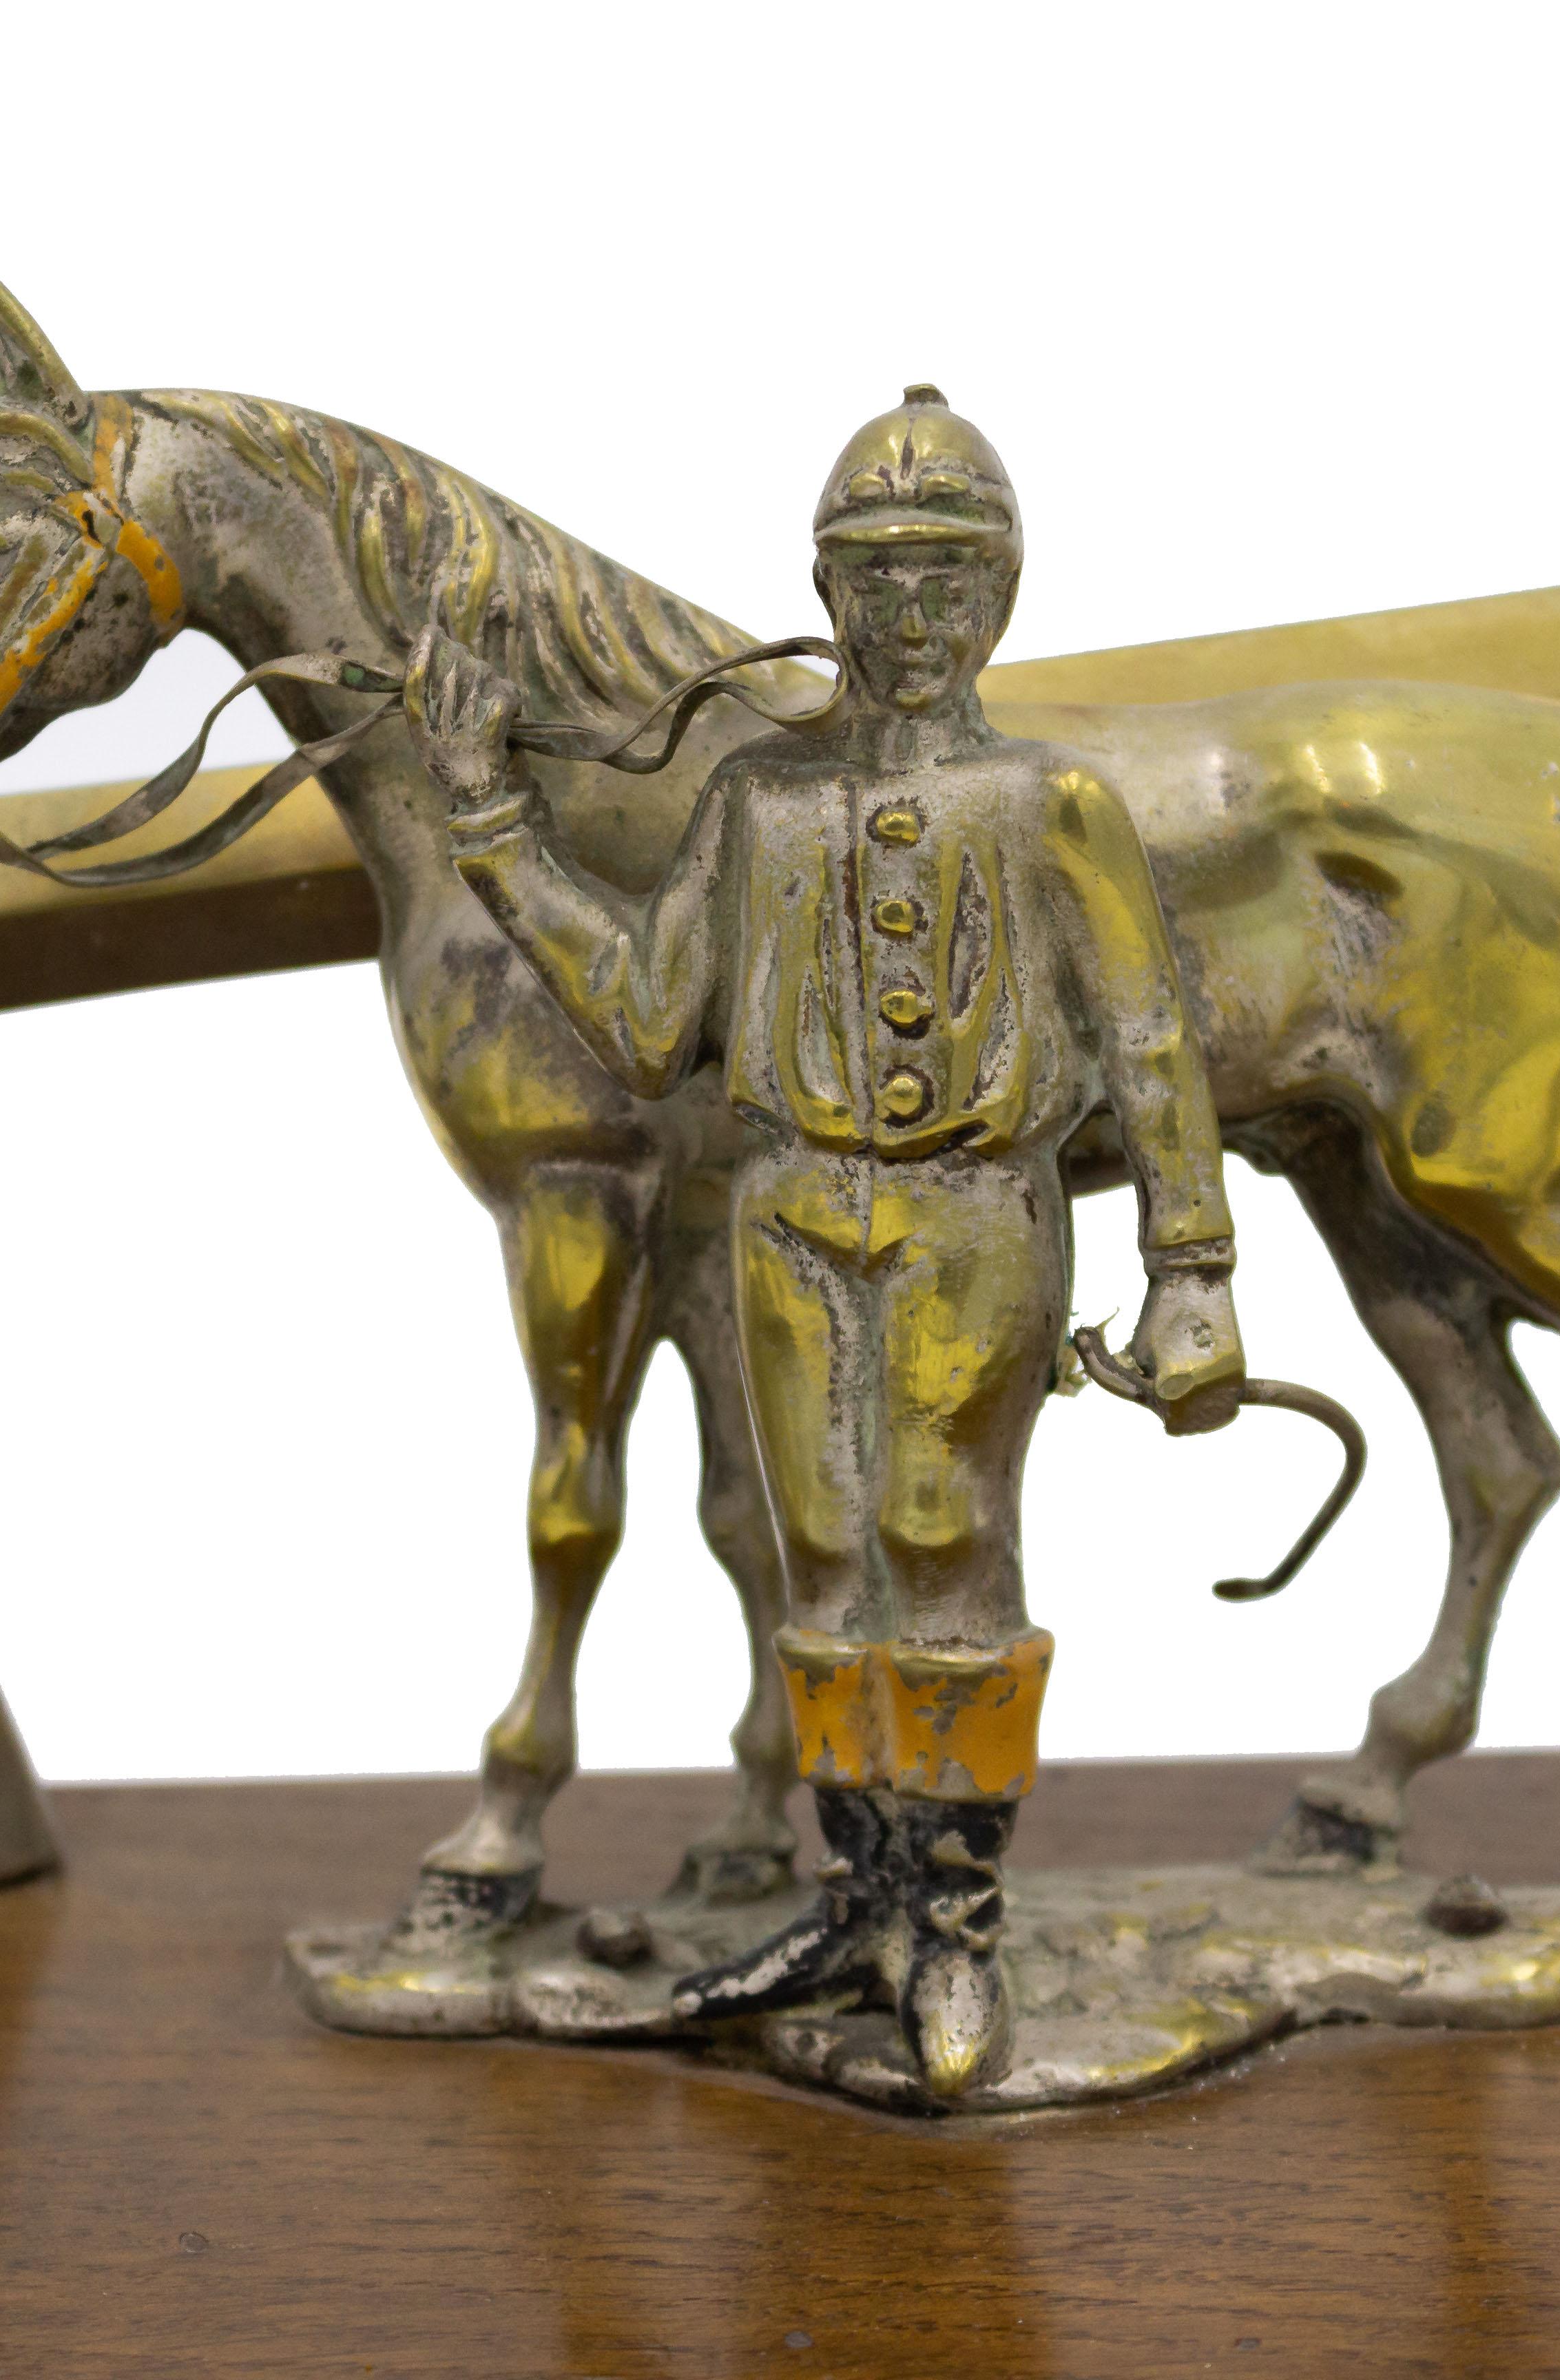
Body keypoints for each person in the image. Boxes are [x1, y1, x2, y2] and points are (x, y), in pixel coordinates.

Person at [400, 386, 1244, 2098]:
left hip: (970, 1215)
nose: (911, 619)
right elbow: (648, 1022)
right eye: (878, 582)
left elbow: (1152, 1043)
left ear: (1001, 598)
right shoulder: (759, 801)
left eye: (949, 583)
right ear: (826, 592)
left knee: (944, 1539)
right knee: (825, 1561)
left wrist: (1192, 1270)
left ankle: (958, 1926)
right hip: (790, 1211)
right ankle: (865, 1895)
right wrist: (490, 828)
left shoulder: (1052, 800)